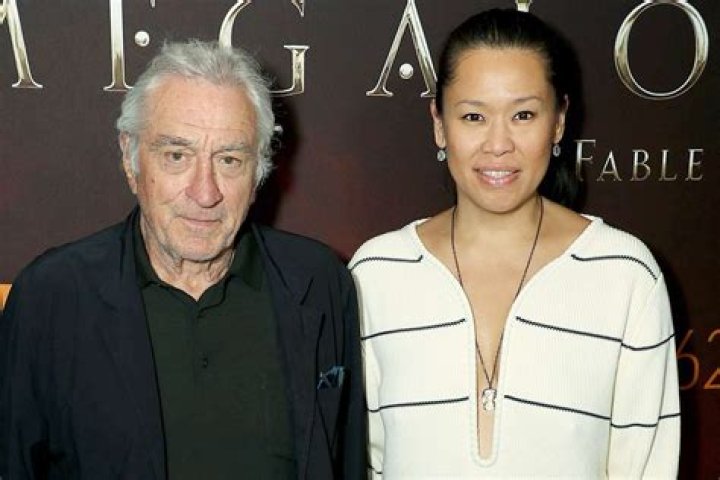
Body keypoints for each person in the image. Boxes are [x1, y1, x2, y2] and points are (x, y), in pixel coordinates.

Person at [0, 40, 364, 479]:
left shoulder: (318, 282)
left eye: (229, 159)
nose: (205, 192)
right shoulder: (51, 297)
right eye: (177, 156)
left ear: (258, 172)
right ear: (130, 159)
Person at [350, 9, 680, 478]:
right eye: (473, 116)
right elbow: (364, 461)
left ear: (558, 122)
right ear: (440, 124)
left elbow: (647, 467)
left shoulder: (625, 274)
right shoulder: (377, 273)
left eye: (523, 115)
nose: (498, 144)